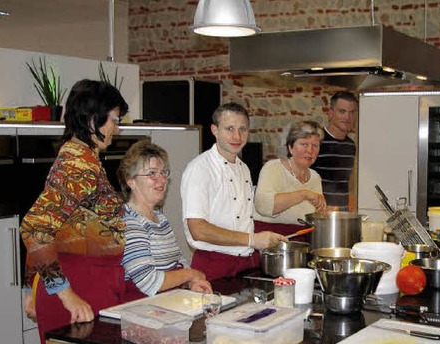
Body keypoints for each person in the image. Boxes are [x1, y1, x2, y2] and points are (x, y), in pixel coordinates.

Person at [19, 79, 129, 344]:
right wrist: (65, 296)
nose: (117, 128)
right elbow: (36, 229)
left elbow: (52, 227)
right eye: (115, 119)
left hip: (82, 282)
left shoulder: (80, 157)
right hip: (77, 289)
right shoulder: (78, 164)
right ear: (94, 120)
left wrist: (32, 286)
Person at [181, 102, 287, 281]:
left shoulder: (243, 168)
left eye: (242, 129)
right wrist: (251, 240)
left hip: (246, 264)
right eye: (229, 128)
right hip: (213, 264)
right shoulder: (200, 168)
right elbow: (197, 229)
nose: (237, 136)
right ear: (215, 130)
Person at [117, 140, 212, 301]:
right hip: (142, 310)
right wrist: (192, 274)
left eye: (163, 173)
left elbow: (178, 261)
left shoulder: (160, 219)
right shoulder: (129, 222)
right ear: (131, 181)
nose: (161, 179)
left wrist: (192, 283)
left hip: (166, 303)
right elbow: (149, 282)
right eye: (151, 174)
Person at [254, 120, 327, 238]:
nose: (310, 150)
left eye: (315, 146)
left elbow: (313, 217)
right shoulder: (273, 168)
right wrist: (303, 194)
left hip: (302, 241)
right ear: (291, 147)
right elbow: (263, 205)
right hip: (269, 240)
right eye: (304, 144)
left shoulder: (315, 177)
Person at [311, 91, 358, 210]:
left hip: (342, 214)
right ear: (330, 113)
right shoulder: (316, 141)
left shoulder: (350, 145)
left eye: (352, 112)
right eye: (342, 111)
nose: (347, 117)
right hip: (319, 214)